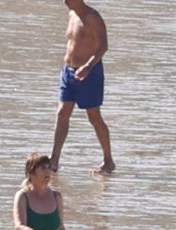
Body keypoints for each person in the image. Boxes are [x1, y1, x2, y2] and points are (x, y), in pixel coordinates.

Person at [51, 0, 115, 175]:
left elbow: (103, 46)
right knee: (62, 113)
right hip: (68, 72)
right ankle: (54, 160)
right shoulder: (72, 15)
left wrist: (88, 66)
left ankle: (108, 161)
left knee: (94, 118)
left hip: (89, 73)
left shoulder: (92, 17)